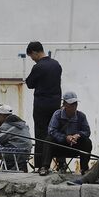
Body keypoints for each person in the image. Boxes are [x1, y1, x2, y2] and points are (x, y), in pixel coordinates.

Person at [25, 41, 62, 170]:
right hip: (56, 104)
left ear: (35, 52)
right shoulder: (56, 65)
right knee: (56, 133)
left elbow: (30, 83)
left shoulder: (38, 67)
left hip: (41, 105)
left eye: (31, 56)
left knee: (40, 135)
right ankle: (60, 163)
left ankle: (41, 165)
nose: (32, 59)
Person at [38, 91, 92, 176]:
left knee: (87, 142)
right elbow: (52, 131)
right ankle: (45, 167)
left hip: (74, 146)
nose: (73, 106)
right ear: (65, 105)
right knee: (48, 139)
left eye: (75, 104)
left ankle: (84, 168)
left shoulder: (81, 116)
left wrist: (78, 135)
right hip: (60, 146)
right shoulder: (57, 115)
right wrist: (65, 137)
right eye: (71, 104)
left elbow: (87, 131)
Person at [0, 104, 33, 171]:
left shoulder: (8, 125)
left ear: (3, 115)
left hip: (15, 153)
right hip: (25, 153)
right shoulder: (22, 123)